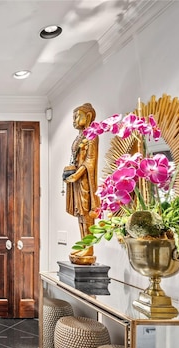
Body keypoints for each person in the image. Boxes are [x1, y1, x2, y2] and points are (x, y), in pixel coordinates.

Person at [63, 103, 100, 265]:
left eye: (77, 116)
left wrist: (77, 174)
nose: (74, 120)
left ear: (88, 116)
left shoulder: (92, 136)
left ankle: (90, 246)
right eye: (73, 117)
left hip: (85, 180)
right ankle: (84, 244)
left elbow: (90, 161)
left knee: (86, 212)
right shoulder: (79, 137)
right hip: (77, 181)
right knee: (80, 212)